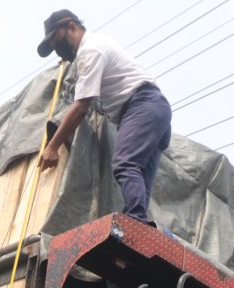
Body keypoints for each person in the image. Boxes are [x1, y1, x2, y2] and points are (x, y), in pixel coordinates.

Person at [36, 9, 173, 226]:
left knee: (125, 163)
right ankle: (138, 224)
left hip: (142, 105)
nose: (59, 51)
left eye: (59, 41)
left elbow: (81, 106)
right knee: (140, 176)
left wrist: (52, 146)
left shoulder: (90, 51)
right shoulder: (98, 44)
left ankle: (135, 221)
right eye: (54, 48)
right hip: (155, 109)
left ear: (72, 26)